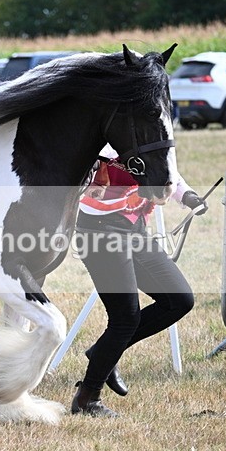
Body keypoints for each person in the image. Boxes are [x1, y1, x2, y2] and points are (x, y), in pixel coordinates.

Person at [71, 145, 207, 417]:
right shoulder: (110, 134)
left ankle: (102, 352)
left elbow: (166, 170)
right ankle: (87, 398)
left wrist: (188, 195)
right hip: (99, 231)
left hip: (134, 229)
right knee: (125, 319)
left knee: (178, 299)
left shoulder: (149, 131)